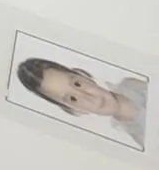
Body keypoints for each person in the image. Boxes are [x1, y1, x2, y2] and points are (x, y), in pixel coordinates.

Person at [17, 57, 149, 145]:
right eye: (72, 99)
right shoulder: (132, 134)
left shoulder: (138, 85)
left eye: (77, 84)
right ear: (72, 109)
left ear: (83, 75)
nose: (89, 97)